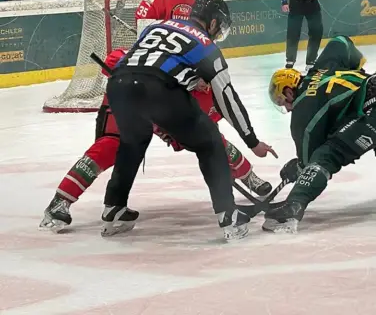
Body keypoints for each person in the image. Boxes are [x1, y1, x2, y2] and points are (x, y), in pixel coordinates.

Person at [39, 49, 275, 233]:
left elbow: (209, 138)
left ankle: (250, 177)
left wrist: (174, 133)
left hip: (161, 109)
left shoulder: (209, 94)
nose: (203, 83)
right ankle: (60, 202)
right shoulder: (169, 63)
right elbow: (116, 58)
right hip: (127, 99)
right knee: (111, 146)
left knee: (213, 141)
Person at [103, 0, 270, 241]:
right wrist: (252, 141)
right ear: (212, 23)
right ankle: (228, 215)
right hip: (157, 90)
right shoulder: (207, 46)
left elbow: (148, 61)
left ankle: (113, 209)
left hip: (118, 85)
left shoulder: (156, 26)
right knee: (210, 142)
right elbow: (226, 98)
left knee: (132, 142)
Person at [262, 35, 376, 233]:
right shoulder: (322, 67)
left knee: (328, 155)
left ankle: (294, 206)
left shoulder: (301, 112)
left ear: (289, 92)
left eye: (282, 102)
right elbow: (341, 42)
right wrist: (357, 68)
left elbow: (311, 162)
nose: (287, 109)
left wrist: (297, 169)